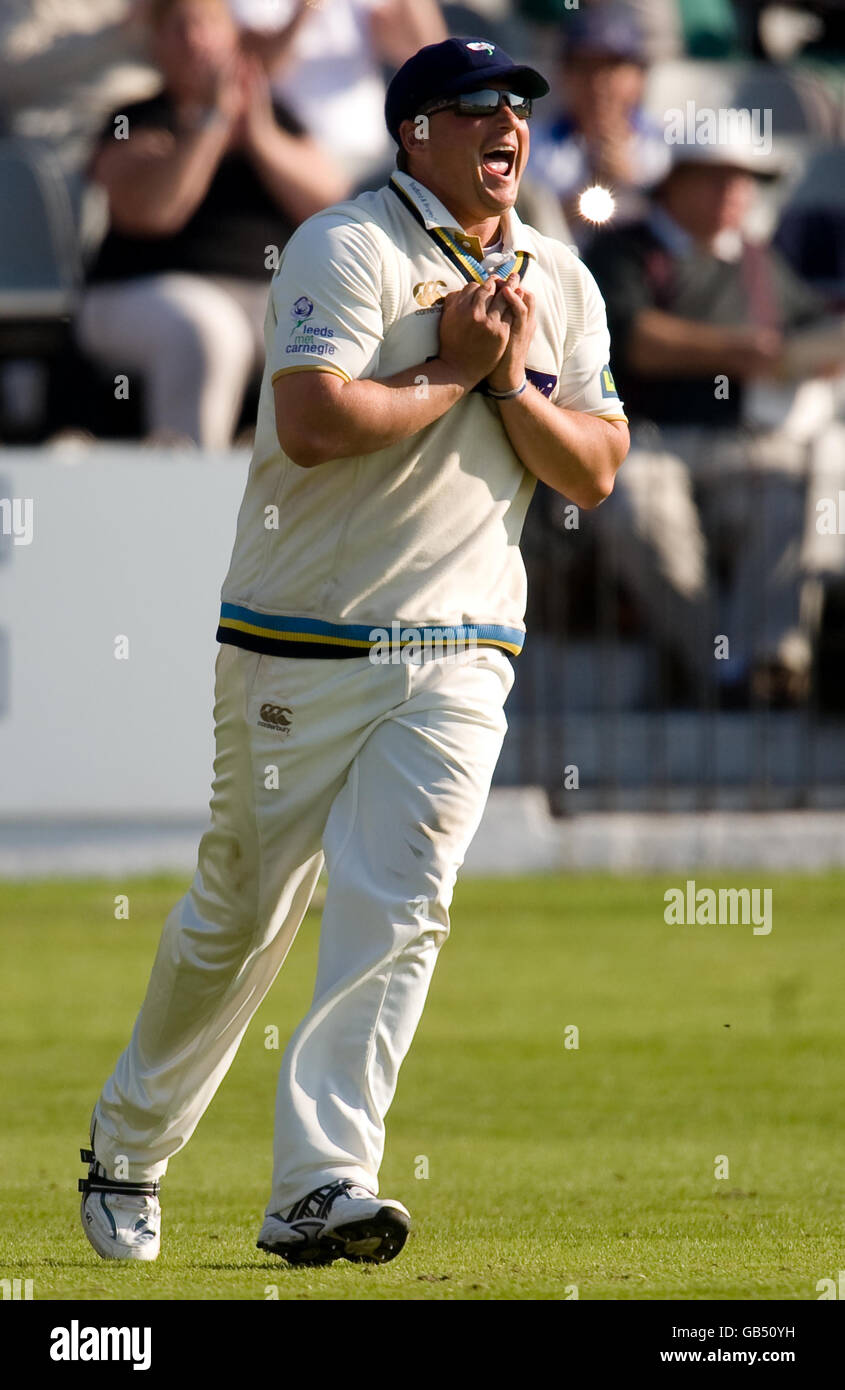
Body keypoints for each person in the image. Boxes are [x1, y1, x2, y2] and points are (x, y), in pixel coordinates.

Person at [79, 36, 628, 1268]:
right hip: (297, 643)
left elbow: (591, 465)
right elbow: (315, 421)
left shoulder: (562, 277)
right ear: (413, 132)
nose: (508, 125)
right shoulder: (346, 244)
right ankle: (128, 1146)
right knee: (239, 918)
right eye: (476, 107)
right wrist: (452, 369)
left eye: (519, 108)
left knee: (399, 905)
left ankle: (320, 1182)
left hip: (461, 644)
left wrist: (501, 389)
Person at [585, 138, 845, 706]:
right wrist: (740, 351)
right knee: (635, 503)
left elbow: (808, 332)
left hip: (743, 445)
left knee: (797, 491)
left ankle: (769, 663)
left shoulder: (757, 260)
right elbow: (633, 340)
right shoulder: (622, 248)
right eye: (716, 178)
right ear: (672, 184)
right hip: (643, 440)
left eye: (743, 181)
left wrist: (820, 353)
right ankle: (718, 668)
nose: (734, 193)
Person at [75, 0, 347, 447]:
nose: (194, 39)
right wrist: (210, 123)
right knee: (208, 329)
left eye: (206, 26)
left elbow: (330, 202)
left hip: (258, 293)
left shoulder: (275, 118)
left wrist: (261, 137)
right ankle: (191, 484)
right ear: (157, 44)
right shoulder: (134, 118)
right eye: (178, 28)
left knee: (322, 326)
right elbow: (156, 211)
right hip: (135, 292)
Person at [229, 0, 448, 188]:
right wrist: (309, 6)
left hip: (372, 152)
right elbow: (259, 66)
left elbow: (427, 55)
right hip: (299, 158)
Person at [528, 5, 670, 252]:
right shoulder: (533, 145)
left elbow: (680, 236)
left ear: (639, 77)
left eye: (612, 67)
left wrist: (630, 183)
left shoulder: (665, 147)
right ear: (564, 74)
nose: (598, 82)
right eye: (586, 67)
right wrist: (593, 188)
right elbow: (526, 231)